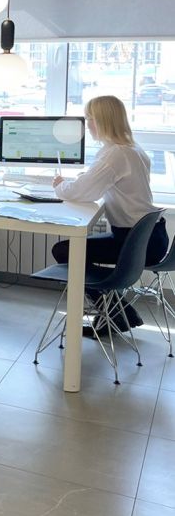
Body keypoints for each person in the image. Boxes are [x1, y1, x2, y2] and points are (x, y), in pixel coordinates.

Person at [52, 95, 170, 338]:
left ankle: (117, 314)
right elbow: (96, 182)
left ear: (103, 121)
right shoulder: (131, 149)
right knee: (72, 251)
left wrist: (60, 185)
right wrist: (82, 181)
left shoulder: (115, 154)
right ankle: (118, 312)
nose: (87, 124)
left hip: (136, 242)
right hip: (151, 236)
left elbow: (80, 192)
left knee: (65, 251)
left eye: (90, 118)